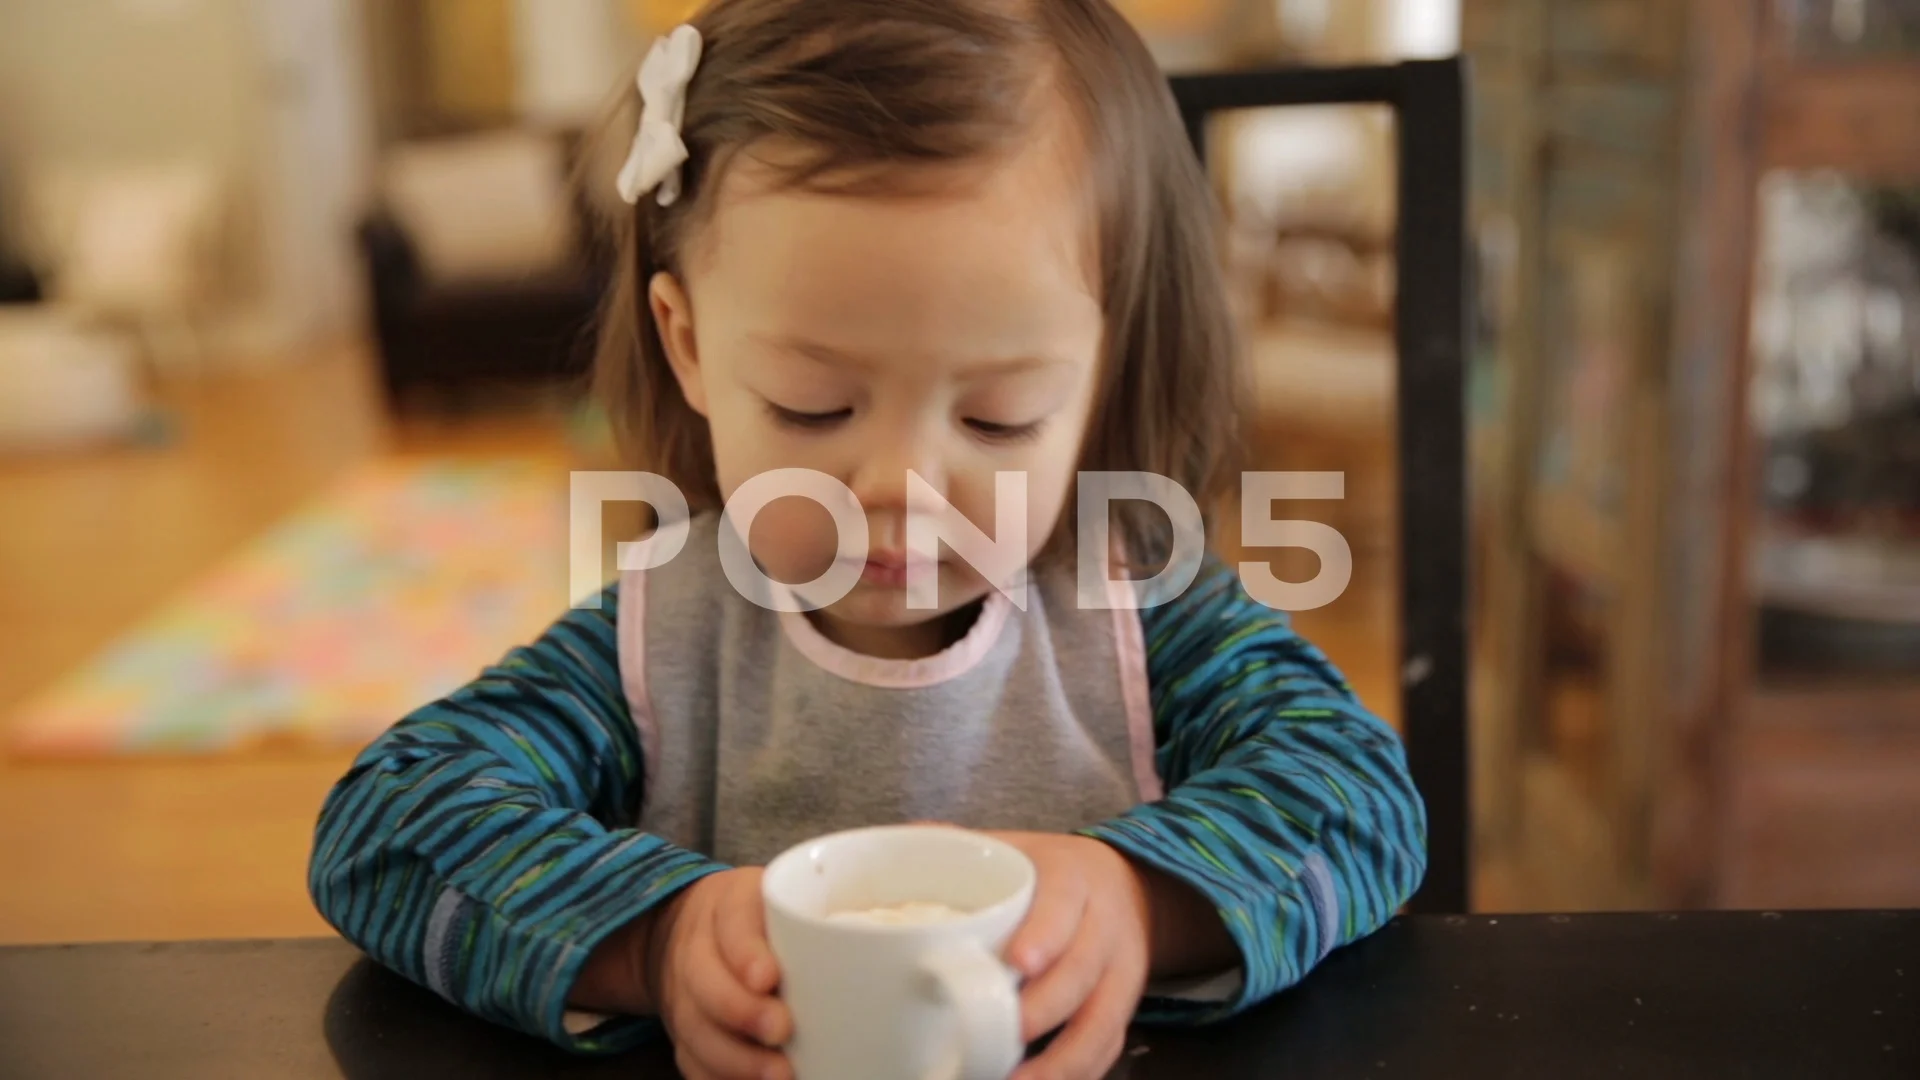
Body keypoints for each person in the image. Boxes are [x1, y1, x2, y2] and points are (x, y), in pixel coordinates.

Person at [309, 2, 1426, 1078]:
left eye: (997, 417)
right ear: (687, 345)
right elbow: (388, 828)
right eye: (811, 405)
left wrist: (1142, 900)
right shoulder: (658, 644)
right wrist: (653, 941)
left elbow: (1363, 795)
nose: (899, 489)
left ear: (1098, 376)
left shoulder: (1143, 614)